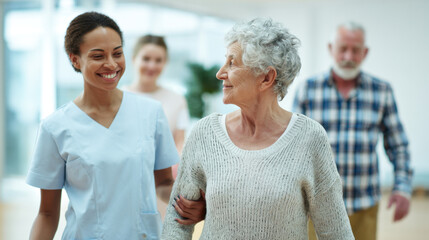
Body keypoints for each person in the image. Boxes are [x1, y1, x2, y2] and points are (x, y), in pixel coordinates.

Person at [161, 18, 354, 240]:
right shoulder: (204, 134)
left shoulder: (309, 138)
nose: (220, 73)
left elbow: (336, 232)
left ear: (266, 78)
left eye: (232, 63)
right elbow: (176, 224)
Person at [26, 11, 201, 240]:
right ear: (74, 59)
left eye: (117, 53)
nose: (111, 64)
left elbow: (164, 184)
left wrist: (191, 204)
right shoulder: (55, 127)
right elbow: (47, 214)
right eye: (98, 56)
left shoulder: (151, 112)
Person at [293, 22, 413, 240]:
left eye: (356, 50)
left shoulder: (382, 92)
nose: (348, 55)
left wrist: (402, 186)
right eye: (343, 48)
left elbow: (398, 145)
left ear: (365, 52)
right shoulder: (307, 89)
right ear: (331, 49)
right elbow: (292, 146)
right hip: (315, 204)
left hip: (363, 203)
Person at [123, 34, 190, 179]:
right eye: (146, 59)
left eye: (158, 60)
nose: (152, 66)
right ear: (134, 59)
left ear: (165, 63)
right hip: (126, 176)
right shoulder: (118, 97)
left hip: (163, 181)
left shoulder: (177, 100)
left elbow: (179, 143)